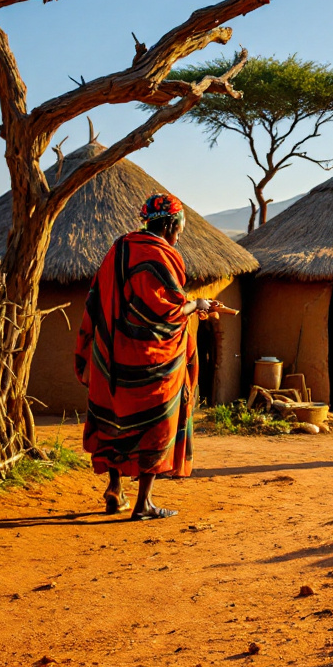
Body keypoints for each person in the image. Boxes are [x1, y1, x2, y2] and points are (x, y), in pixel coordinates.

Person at [75, 193, 219, 521]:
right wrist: (197, 305)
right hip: (152, 362)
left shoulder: (118, 249)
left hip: (110, 356)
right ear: (169, 224)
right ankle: (144, 503)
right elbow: (165, 312)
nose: (179, 236)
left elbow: (97, 298)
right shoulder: (160, 255)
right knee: (158, 425)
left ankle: (114, 491)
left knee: (114, 421)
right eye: (179, 229)